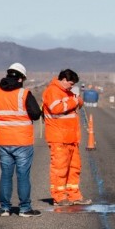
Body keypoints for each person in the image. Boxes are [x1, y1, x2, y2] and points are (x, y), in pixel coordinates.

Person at [0, 62, 43, 217]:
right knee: (22, 175)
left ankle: (5, 208)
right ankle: (25, 209)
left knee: (6, 175)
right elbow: (35, 114)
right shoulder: (24, 94)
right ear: (21, 79)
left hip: (4, 141)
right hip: (22, 142)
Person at [42, 69, 92, 206]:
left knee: (74, 168)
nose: (71, 86)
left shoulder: (66, 92)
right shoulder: (52, 91)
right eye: (70, 83)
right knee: (60, 169)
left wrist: (75, 100)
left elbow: (79, 102)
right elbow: (56, 108)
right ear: (63, 80)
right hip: (59, 137)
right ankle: (59, 197)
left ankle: (73, 195)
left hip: (71, 138)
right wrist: (73, 101)